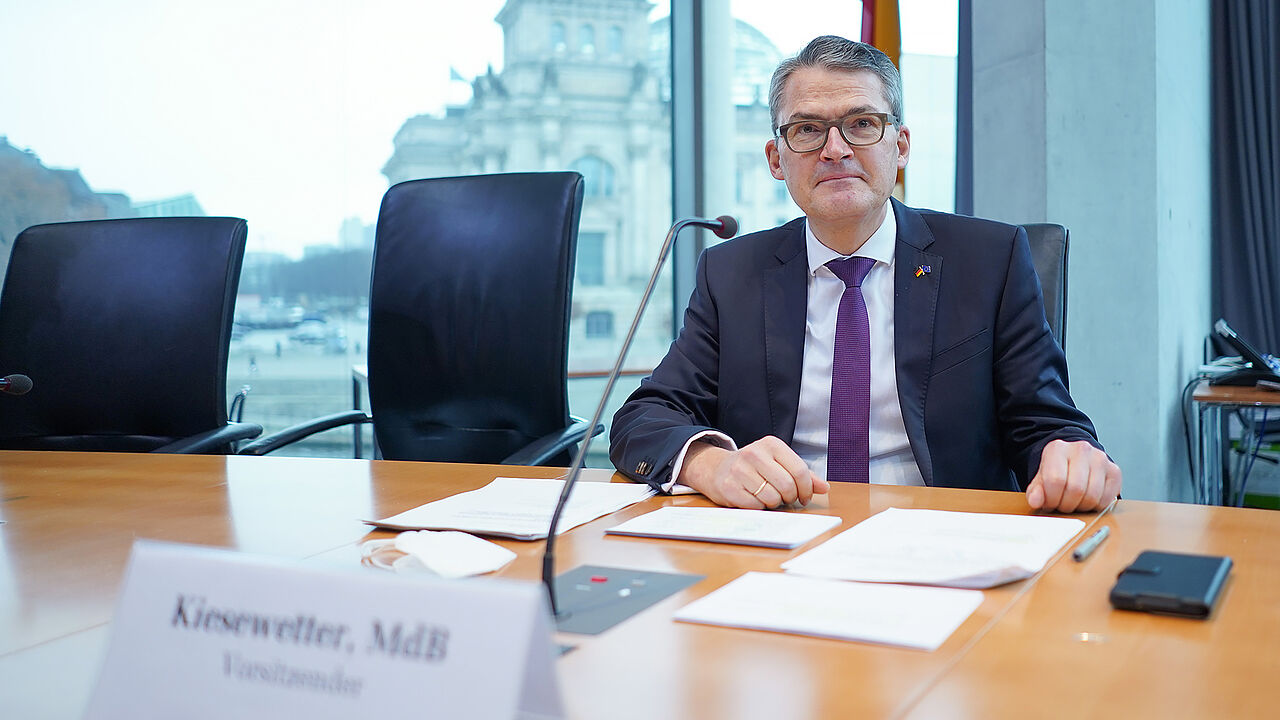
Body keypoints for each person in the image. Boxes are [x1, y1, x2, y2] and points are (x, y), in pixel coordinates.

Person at [609, 35, 1121, 513]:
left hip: (944, 538)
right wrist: (712, 463)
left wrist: (1069, 455)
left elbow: (1046, 421)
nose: (835, 149)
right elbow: (643, 418)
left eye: (861, 124)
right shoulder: (731, 272)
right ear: (776, 158)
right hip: (781, 531)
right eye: (807, 129)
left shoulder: (990, 259)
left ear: (899, 146)